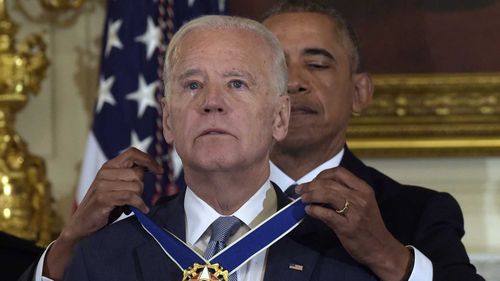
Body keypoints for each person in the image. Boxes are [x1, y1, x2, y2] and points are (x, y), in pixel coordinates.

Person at [22, 1, 484, 281]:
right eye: (192, 85)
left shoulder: (359, 247)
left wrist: (386, 255)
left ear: (276, 114)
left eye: (239, 83)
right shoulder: (110, 250)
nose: (212, 103)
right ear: (166, 119)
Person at [262, 1, 484, 281]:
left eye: (316, 64)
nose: (293, 82)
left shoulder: (419, 212)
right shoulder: (201, 201)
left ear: (359, 92)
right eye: (276, 67)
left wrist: (384, 253)